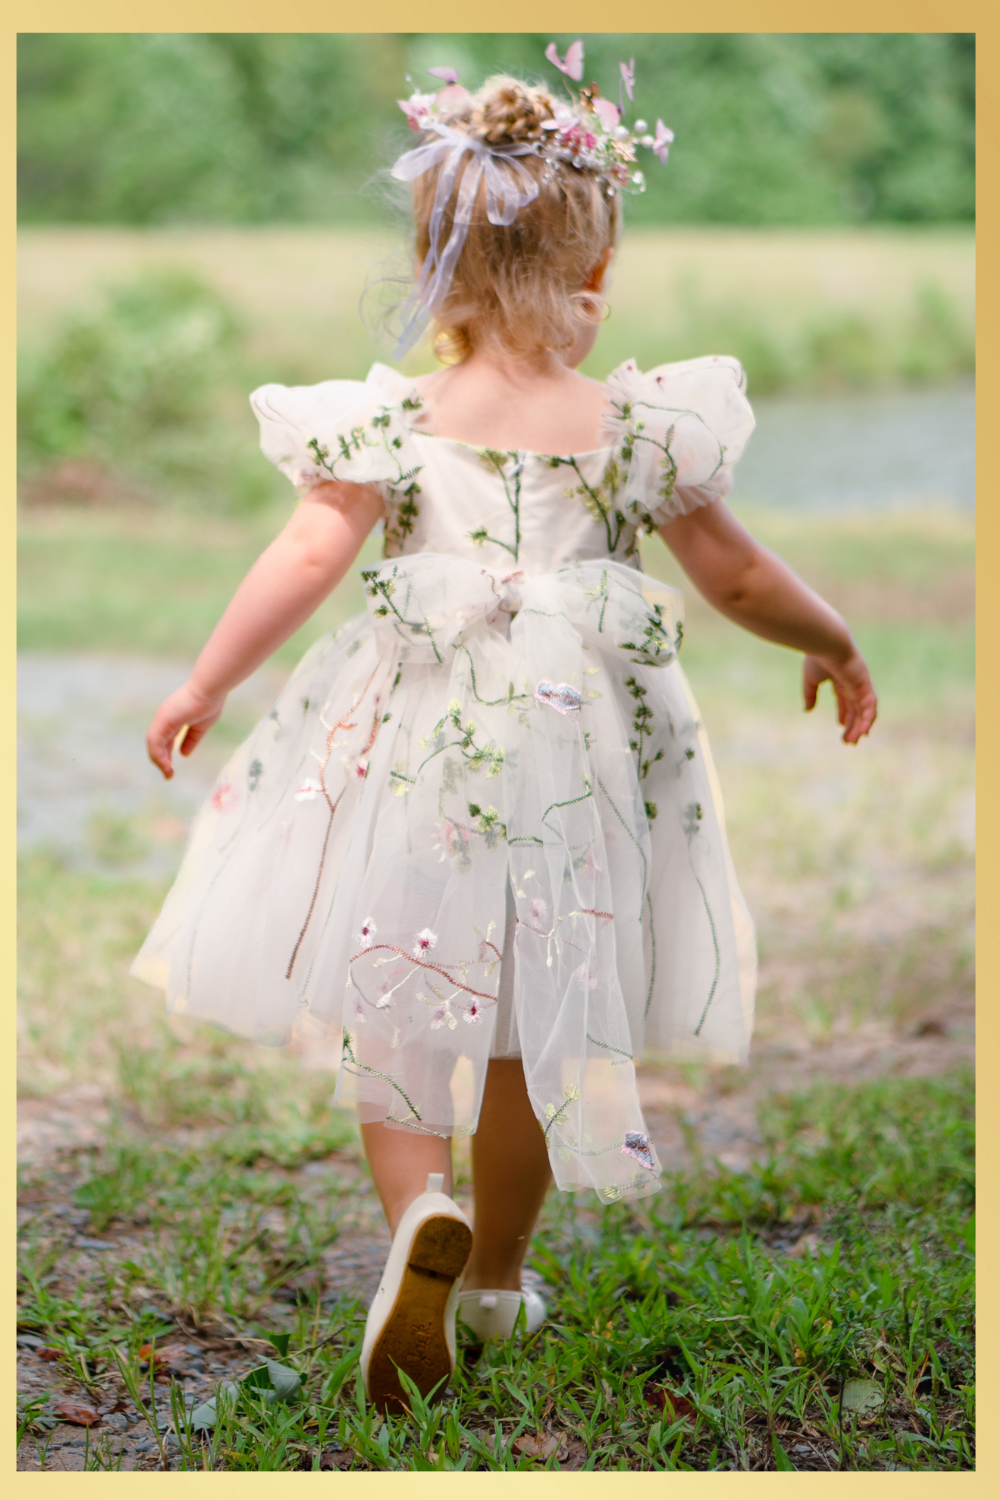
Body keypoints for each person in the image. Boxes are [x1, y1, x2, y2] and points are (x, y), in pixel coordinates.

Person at [133, 48, 877, 1414]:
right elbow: (737, 577)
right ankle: (492, 1279)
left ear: (438, 274)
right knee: (543, 1017)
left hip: (416, 749)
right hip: (572, 764)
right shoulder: (639, 430)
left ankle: (418, 1215)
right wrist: (828, 635)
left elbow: (304, 557)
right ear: (588, 288)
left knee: (404, 990)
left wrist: (207, 680)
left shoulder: (392, 419)